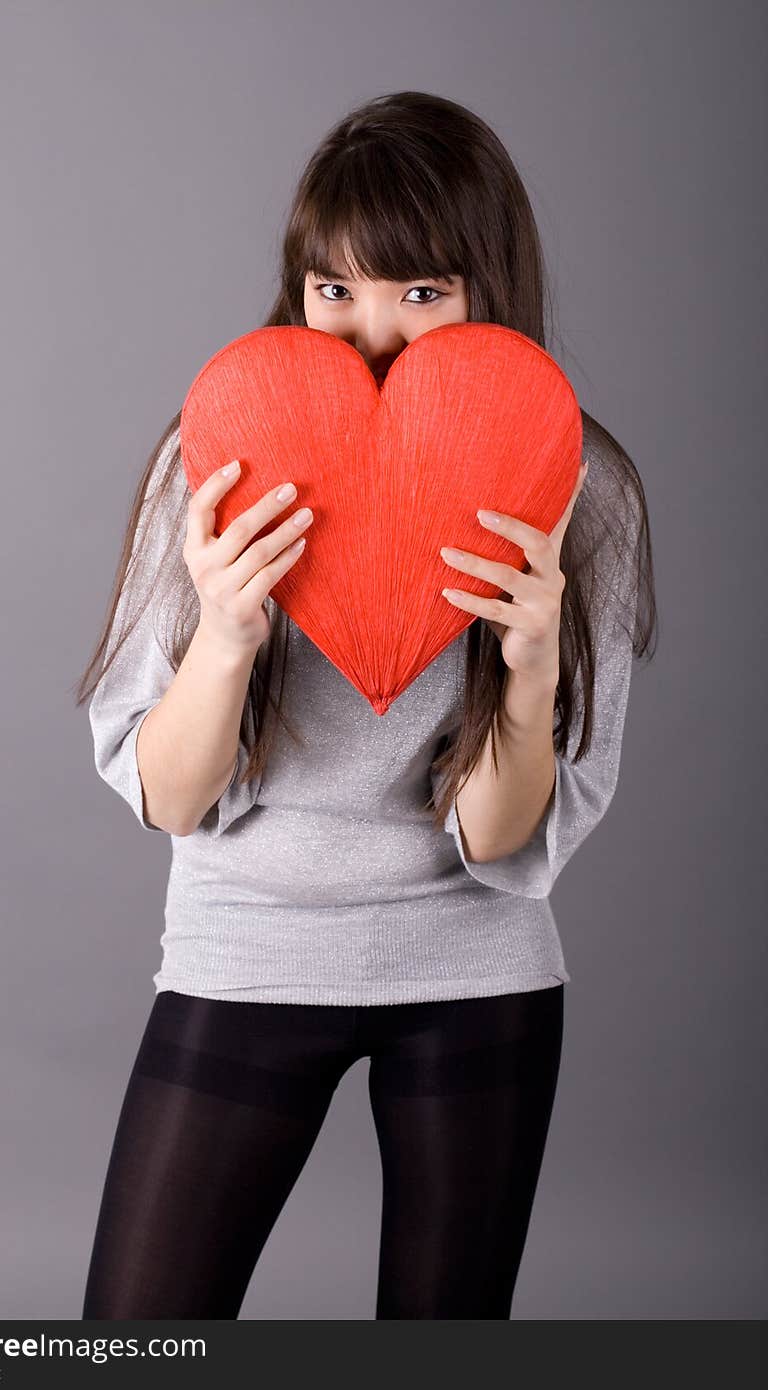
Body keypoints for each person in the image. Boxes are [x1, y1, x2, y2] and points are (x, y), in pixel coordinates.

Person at [76, 90, 657, 1320]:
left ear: (486, 287)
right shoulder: (215, 455)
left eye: (421, 291)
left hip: (476, 971)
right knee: (131, 1342)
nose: (373, 332)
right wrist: (229, 632)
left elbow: (500, 838)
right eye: (333, 290)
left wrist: (534, 658)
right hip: (245, 956)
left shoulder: (578, 485)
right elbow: (169, 796)